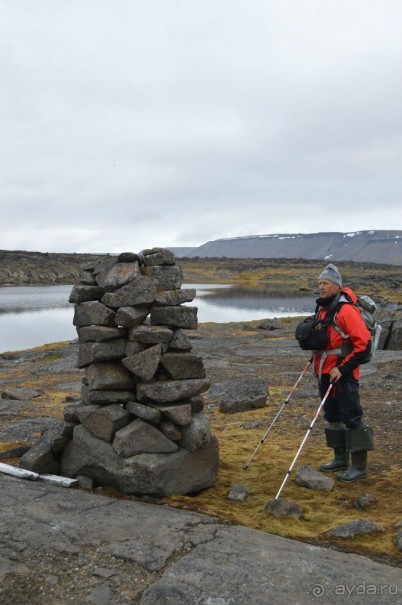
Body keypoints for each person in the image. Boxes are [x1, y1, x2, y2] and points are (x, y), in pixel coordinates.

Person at [313, 263, 374, 482]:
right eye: (319, 283)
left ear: (336, 286)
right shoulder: (323, 308)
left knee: (352, 418)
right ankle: (341, 458)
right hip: (325, 372)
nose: (321, 287)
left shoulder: (346, 310)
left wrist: (344, 368)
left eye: (325, 283)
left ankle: (359, 466)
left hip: (344, 374)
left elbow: (363, 344)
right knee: (332, 416)